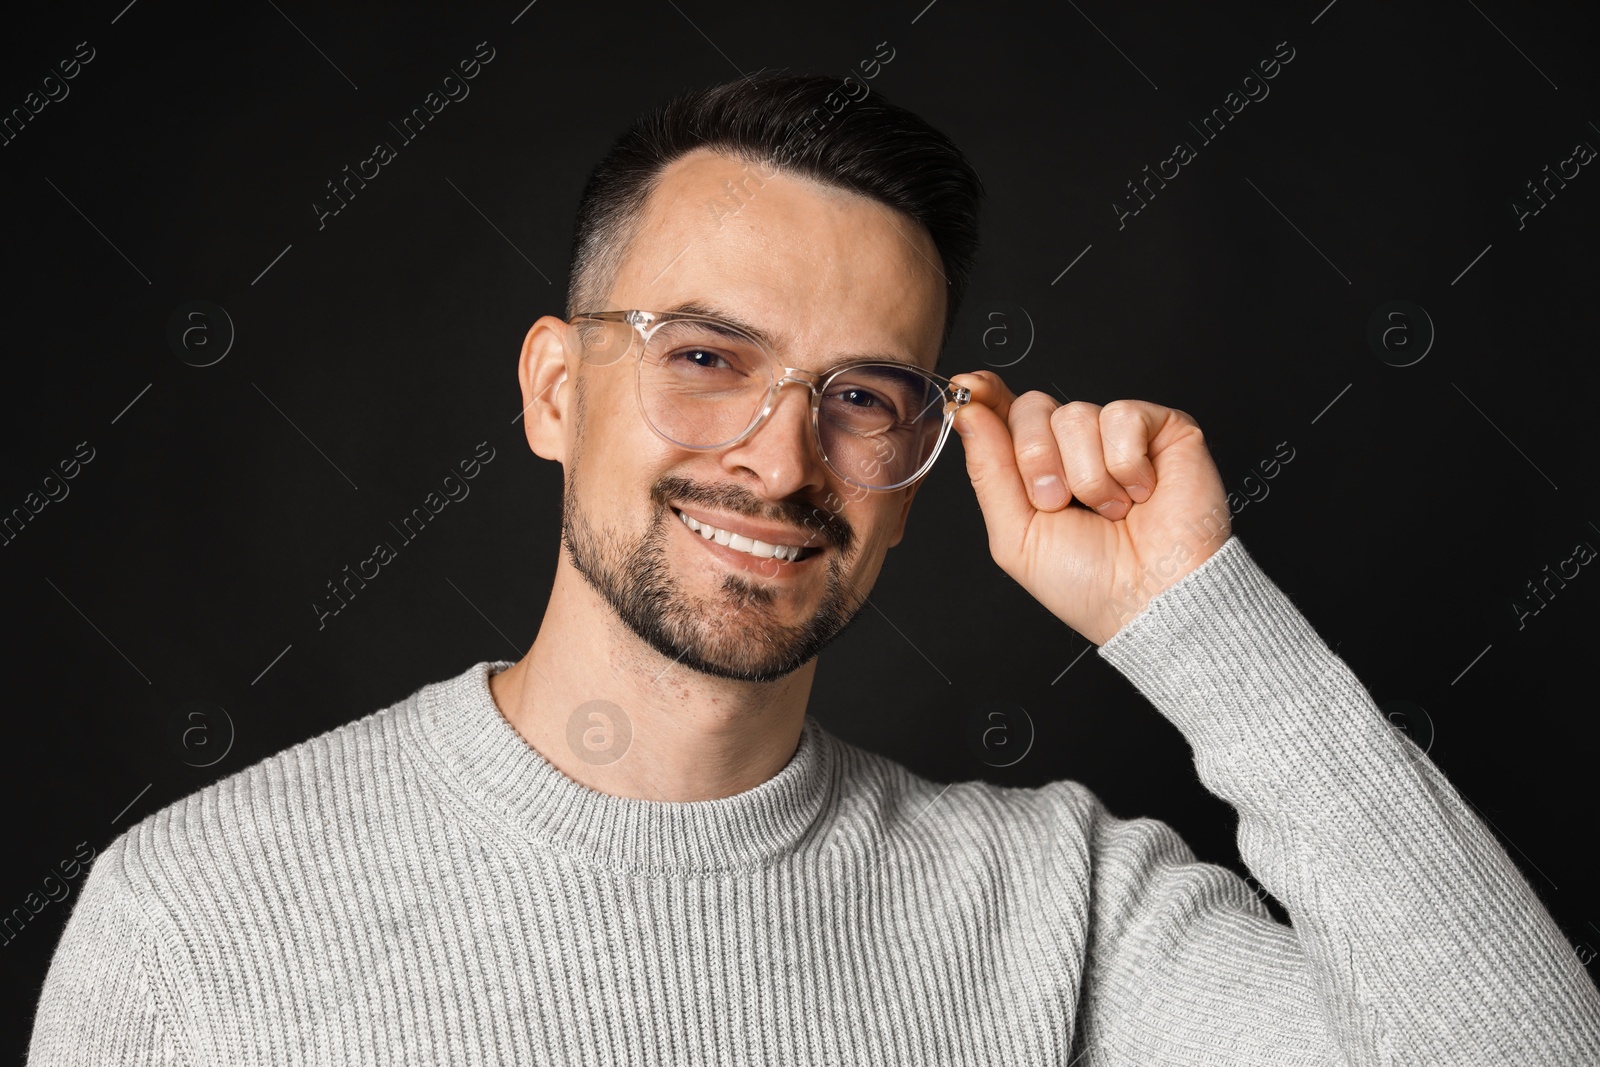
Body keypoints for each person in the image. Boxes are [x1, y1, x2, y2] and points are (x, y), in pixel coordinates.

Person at [27, 72, 1600, 1065]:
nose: (782, 463)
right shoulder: (197, 912)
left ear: (925, 464)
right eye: (707, 355)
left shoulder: (1059, 915)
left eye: (863, 397)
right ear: (555, 391)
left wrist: (1199, 620)